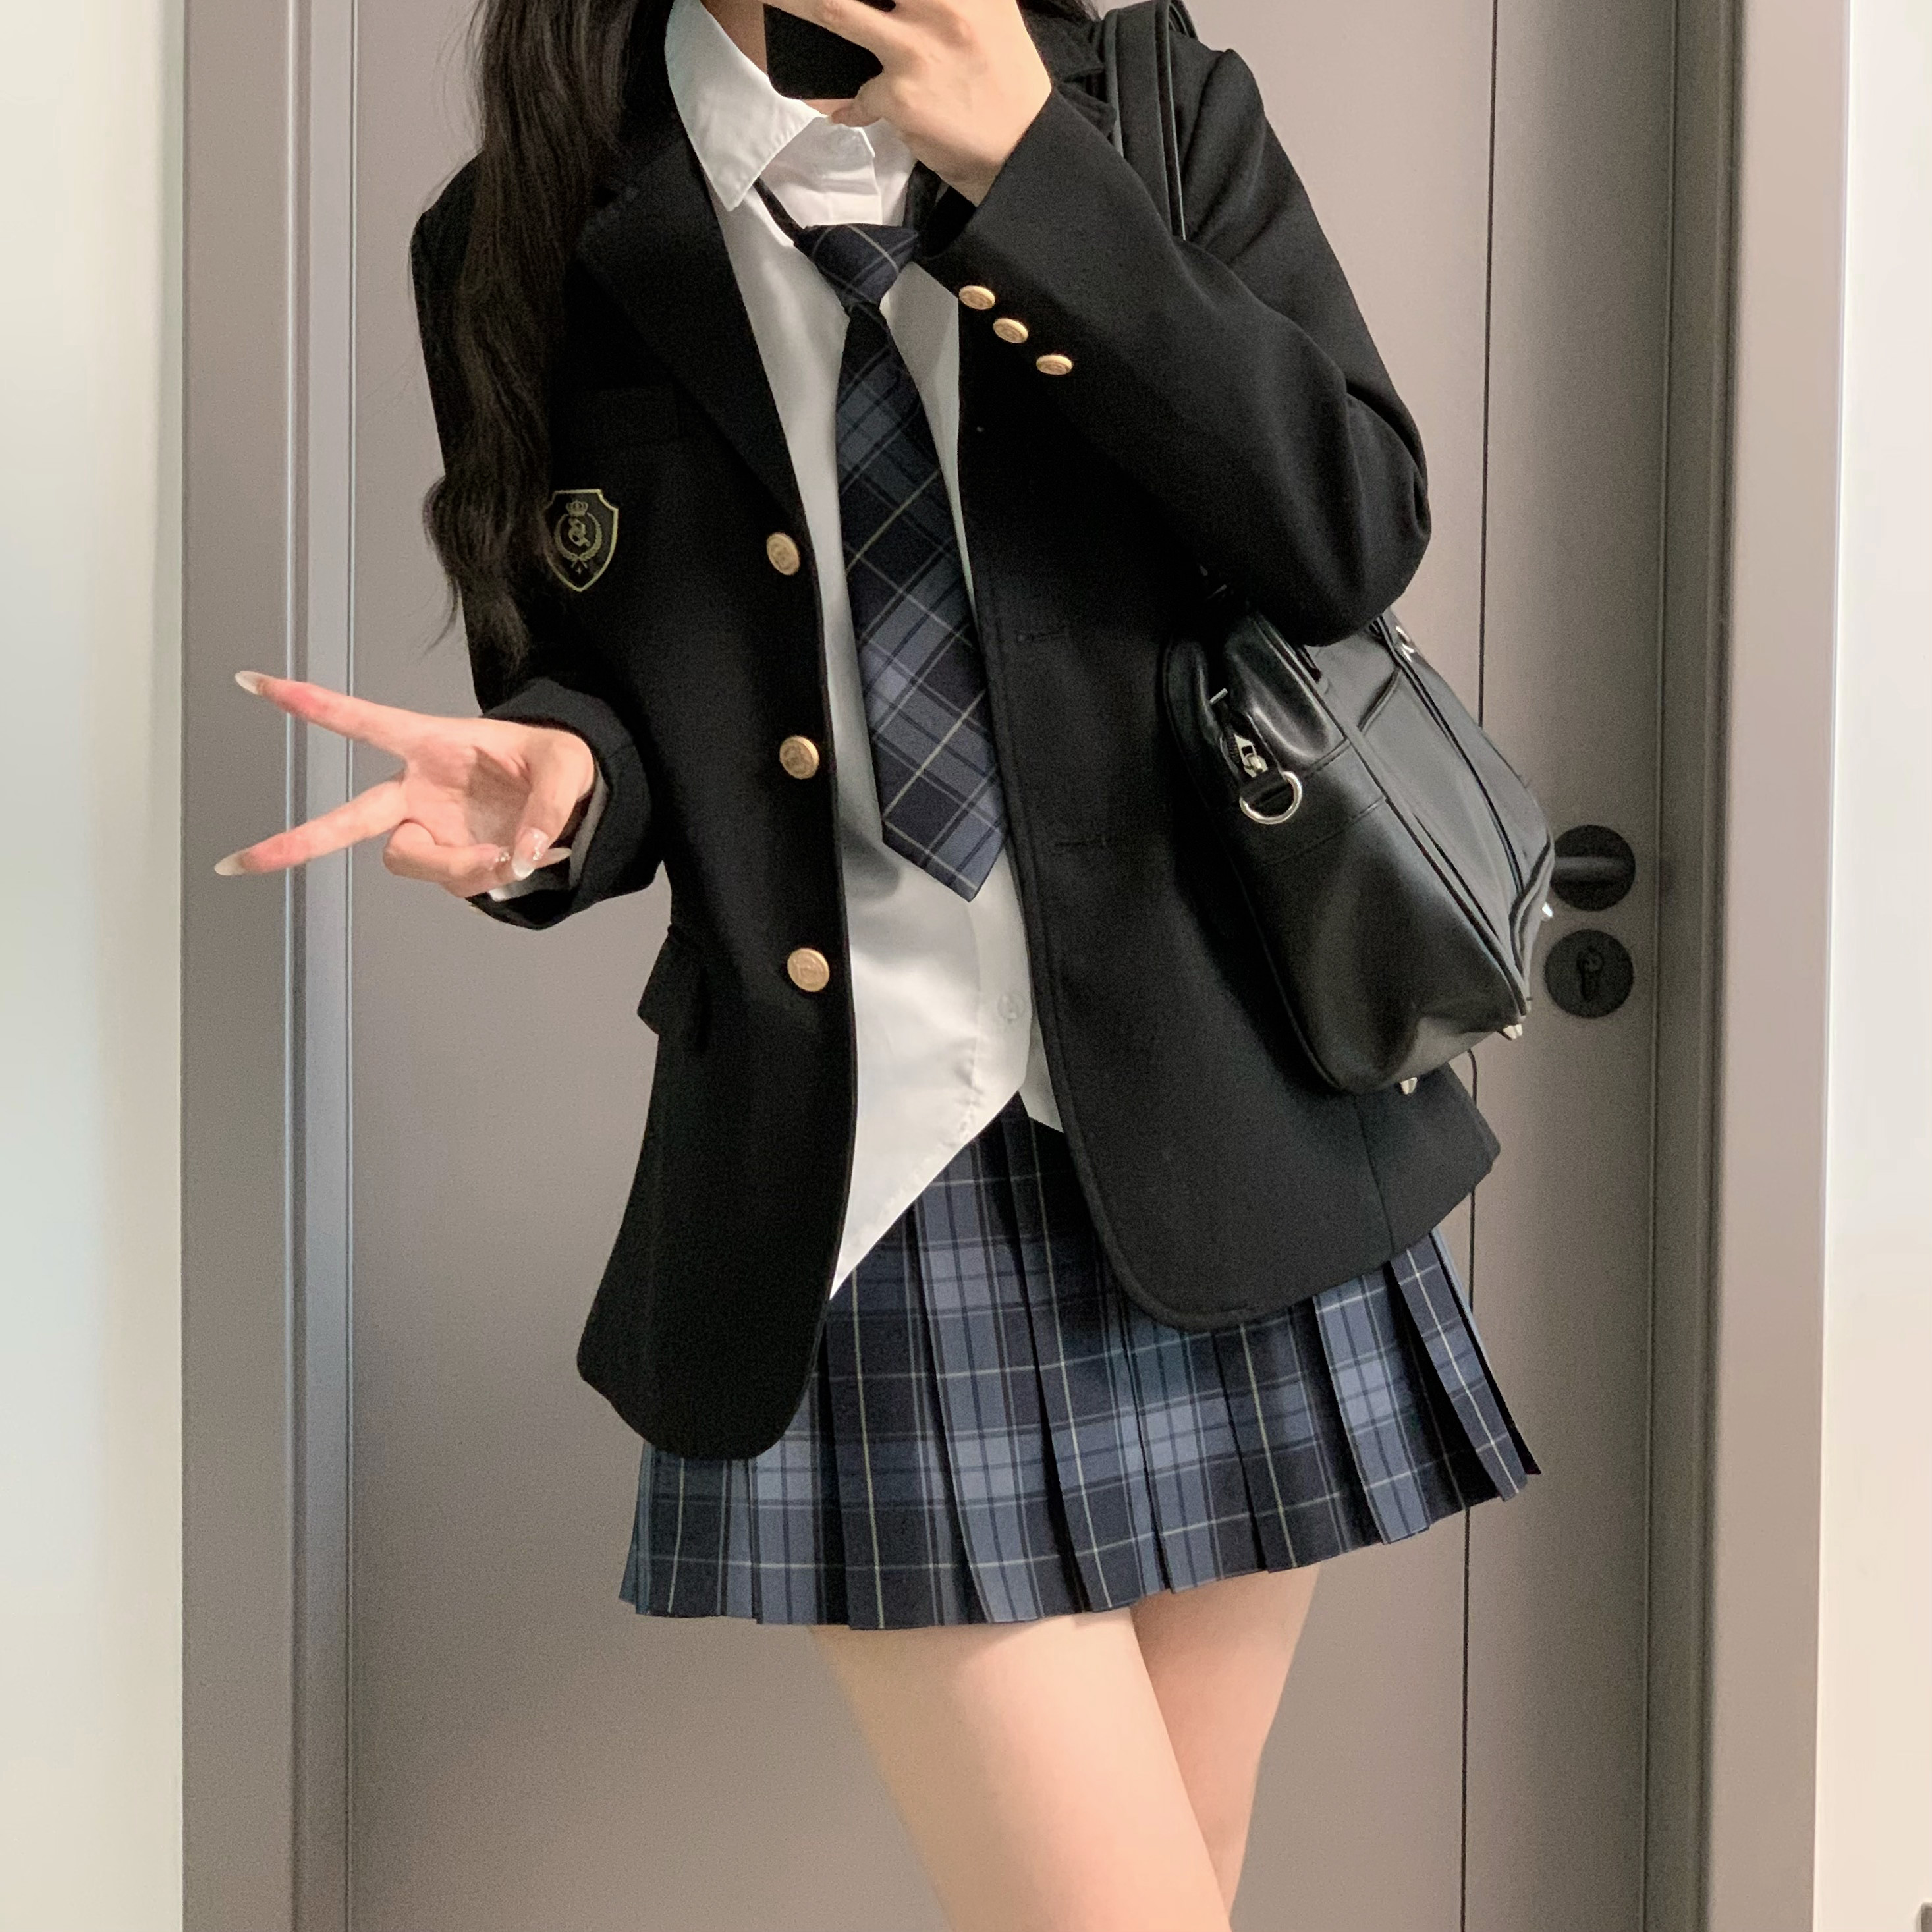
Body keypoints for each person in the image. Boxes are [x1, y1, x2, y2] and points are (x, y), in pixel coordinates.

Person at [221, 0, 1537, 1924]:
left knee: (1190, 1872)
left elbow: (1350, 530)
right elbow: (590, 688)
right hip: (860, 1171)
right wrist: (564, 787)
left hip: (1218, 1122)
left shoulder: (1140, 101)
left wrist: (1038, 176)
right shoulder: (525, 230)